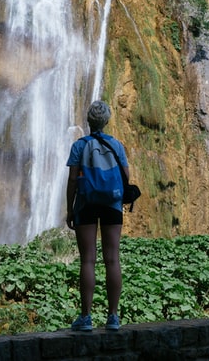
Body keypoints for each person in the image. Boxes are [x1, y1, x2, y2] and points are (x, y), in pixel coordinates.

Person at [66, 100, 129, 332]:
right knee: (112, 259)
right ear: (107, 121)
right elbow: (126, 177)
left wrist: (69, 208)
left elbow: (73, 180)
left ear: (89, 121)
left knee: (88, 260)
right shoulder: (117, 146)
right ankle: (113, 316)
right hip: (112, 203)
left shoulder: (79, 146)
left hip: (86, 203)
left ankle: (86, 317)